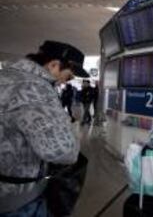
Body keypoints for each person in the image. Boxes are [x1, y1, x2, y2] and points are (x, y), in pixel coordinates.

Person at [0, 40, 89, 216]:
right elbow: (62, 151)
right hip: (17, 199)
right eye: (68, 76)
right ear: (54, 64)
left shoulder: (6, 77)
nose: (65, 81)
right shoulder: (35, 87)